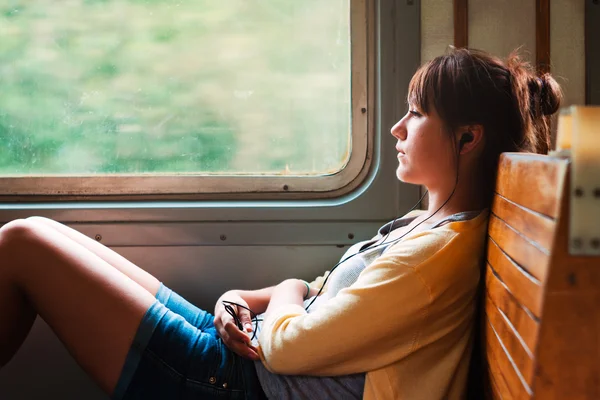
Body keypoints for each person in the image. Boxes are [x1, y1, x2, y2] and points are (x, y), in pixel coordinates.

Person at [0, 47, 562, 400]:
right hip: (247, 355)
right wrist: (244, 295)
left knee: (22, 243)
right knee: (38, 230)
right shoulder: (425, 223)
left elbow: (294, 345)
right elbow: (324, 296)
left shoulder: (437, 260)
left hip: (240, 383)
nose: (395, 128)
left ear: (468, 137)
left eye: (416, 114)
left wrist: (285, 293)